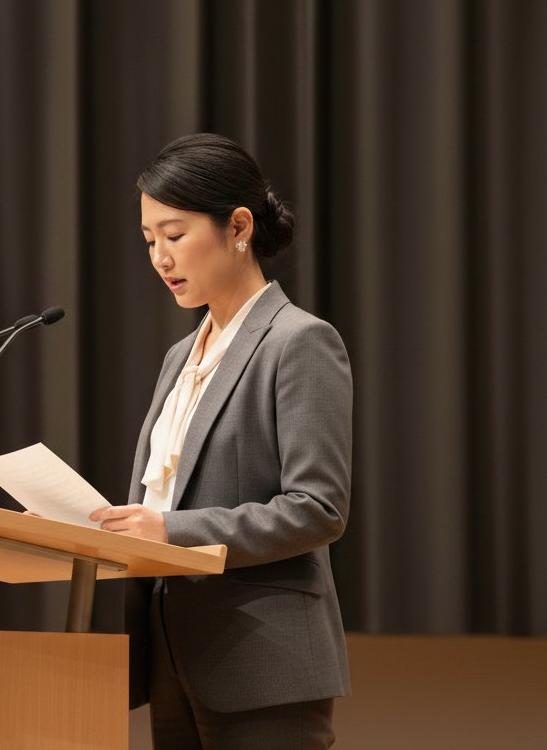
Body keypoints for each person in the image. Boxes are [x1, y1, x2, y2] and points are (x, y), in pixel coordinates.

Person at [90, 133, 352, 749]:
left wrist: (168, 532)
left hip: (262, 661)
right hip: (174, 655)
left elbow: (318, 509)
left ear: (238, 226)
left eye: (175, 235)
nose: (160, 258)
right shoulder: (180, 356)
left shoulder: (299, 341)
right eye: (149, 240)